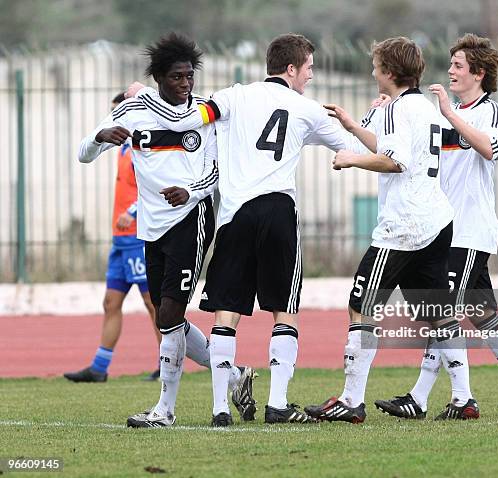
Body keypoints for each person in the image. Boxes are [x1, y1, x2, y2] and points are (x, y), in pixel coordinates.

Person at [126, 33, 351, 426]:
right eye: (310, 68)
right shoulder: (307, 108)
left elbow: (191, 116)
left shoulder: (233, 96)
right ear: (292, 69)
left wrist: (145, 97)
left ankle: (219, 410)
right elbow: (348, 147)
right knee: (284, 310)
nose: (311, 76)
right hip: (278, 209)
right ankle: (278, 404)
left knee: (225, 312)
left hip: (233, 214)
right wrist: (361, 138)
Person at [78, 33, 255, 428]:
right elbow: (83, 153)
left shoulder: (203, 116)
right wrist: (100, 136)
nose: (186, 84)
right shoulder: (134, 108)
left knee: (172, 310)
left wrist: (189, 191)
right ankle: (236, 374)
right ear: (159, 76)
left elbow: (215, 172)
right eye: (178, 77)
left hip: (192, 217)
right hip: (151, 225)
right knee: (165, 318)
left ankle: (165, 410)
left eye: (190, 77)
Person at [303, 36, 478, 423]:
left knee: (360, 305)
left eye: (376, 66)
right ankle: (464, 398)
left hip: (404, 226)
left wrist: (351, 159)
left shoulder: (399, 108)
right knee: (439, 313)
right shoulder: (423, 106)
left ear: (390, 73)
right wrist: (353, 125)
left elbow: (394, 162)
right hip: (436, 220)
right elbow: (392, 147)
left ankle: (351, 400)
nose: (372, 71)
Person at [406, 33, 498, 417]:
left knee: (444, 310)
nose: (451, 70)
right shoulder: (442, 112)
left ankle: (422, 398)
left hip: (470, 230)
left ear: (479, 73)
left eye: (458, 65)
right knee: (484, 316)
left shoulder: (490, 111)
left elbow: (490, 149)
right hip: (444, 230)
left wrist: (451, 114)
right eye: (451, 64)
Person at [64, 93, 161, 384]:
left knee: (152, 303)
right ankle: (99, 367)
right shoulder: (120, 150)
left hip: (136, 236)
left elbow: (154, 188)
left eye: (120, 113)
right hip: (120, 240)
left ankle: (167, 364)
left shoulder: (144, 150)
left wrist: (132, 213)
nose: (116, 120)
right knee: (110, 302)